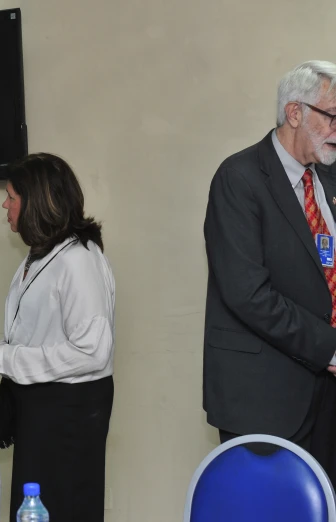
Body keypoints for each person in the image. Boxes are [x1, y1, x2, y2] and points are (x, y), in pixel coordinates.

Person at [0, 153, 115, 522]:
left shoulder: (79, 260)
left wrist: (4, 360)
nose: (5, 204)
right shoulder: (43, 254)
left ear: (37, 203)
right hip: (43, 408)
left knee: (63, 507)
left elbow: (92, 351)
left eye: (12, 197)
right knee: (36, 505)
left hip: (68, 415)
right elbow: (42, 331)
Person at [203, 60, 336, 480]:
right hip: (265, 396)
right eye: (333, 117)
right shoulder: (238, 179)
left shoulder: (328, 179)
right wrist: (330, 347)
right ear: (294, 113)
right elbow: (248, 293)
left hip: (326, 394)